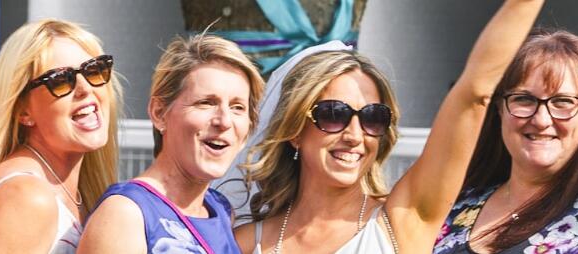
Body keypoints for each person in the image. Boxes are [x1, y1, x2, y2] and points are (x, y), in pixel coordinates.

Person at [232, 0, 544, 253]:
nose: (355, 135)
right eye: (334, 114)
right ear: (296, 131)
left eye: (372, 118)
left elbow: (475, 94)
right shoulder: (245, 243)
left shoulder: (405, 218)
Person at [431, 28, 578, 254]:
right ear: (499, 108)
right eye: (523, 99)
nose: (541, 120)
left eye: (562, 101)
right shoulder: (457, 203)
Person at [0, 19, 124, 253]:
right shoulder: (25, 196)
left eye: (94, 70)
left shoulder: (72, 191)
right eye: (60, 80)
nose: (85, 89)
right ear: (23, 111)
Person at [77, 34, 265, 254]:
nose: (224, 121)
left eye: (238, 107)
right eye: (205, 103)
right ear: (159, 113)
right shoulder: (125, 215)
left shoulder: (220, 210)